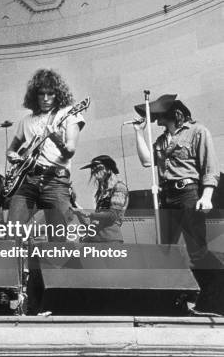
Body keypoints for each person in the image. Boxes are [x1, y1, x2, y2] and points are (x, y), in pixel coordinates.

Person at [132, 94, 219, 266]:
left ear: (173, 114)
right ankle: (177, 289)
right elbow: (147, 161)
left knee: (196, 249)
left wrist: (207, 196)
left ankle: (209, 288)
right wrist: (138, 132)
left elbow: (210, 165)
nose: (156, 118)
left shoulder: (197, 131)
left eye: (159, 114)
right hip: (166, 197)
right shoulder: (161, 140)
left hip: (187, 194)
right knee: (164, 248)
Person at [6, 69, 85, 242]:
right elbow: (11, 149)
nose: (46, 98)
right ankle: (18, 268)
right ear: (35, 95)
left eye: (51, 93)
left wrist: (57, 139)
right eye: (42, 94)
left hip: (56, 181)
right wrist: (12, 156)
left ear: (58, 94)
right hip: (28, 181)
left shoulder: (69, 113)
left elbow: (70, 151)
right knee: (12, 234)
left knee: (58, 239)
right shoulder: (26, 120)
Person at [73, 155, 128, 243]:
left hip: (110, 241)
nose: (95, 173)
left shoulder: (119, 187)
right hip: (96, 239)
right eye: (93, 170)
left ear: (109, 168)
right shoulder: (102, 192)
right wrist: (74, 204)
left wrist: (88, 214)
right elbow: (94, 220)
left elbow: (113, 215)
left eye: (98, 168)